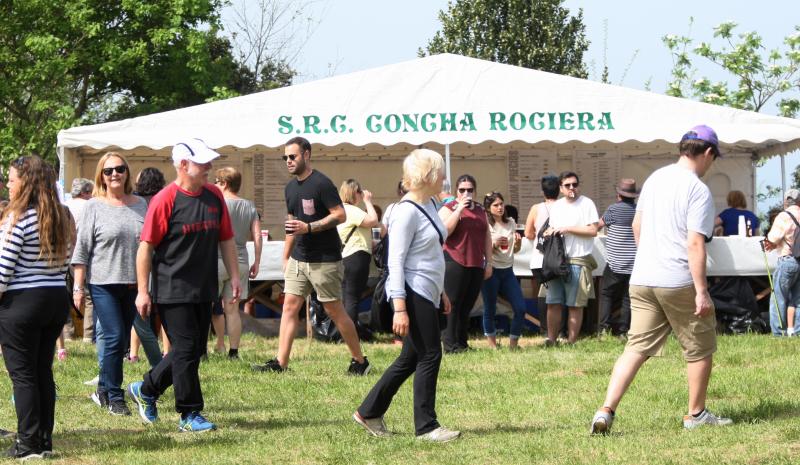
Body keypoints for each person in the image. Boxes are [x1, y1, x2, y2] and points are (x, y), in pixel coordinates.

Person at [590, 125, 732, 434]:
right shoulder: (698, 190)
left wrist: (649, 258)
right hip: (677, 279)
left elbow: (637, 225)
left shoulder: (655, 179)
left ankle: (605, 411)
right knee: (699, 347)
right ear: (707, 153)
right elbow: (695, 243)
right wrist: (701, 291)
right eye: (713, 158)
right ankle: (696, 415)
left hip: (642, 278)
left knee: (635, 348)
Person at [127, 138, 241, 432]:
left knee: (191, 350)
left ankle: (147, 388)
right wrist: (143, 290)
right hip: (171, 288)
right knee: (187, 348)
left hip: (204, 287)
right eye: (203, 163)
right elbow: (146, 247)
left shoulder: (215, 195)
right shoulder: (165, 200)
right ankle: (189, 414)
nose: (209, 167)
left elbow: (226, 239)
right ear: (183, 165)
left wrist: (235, 275)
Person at [353, 148, 459, 442]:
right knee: (430, 354)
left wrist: (442, 292)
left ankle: (369, 412)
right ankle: (426, 427)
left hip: (428, 290)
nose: (445, 177)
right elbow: (396, 261)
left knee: (410, 357)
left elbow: (432, 252)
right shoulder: (406, 211)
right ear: (428, 175)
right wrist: (399, 307)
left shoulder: (431, 204)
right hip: (412, 293)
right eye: (440, 171)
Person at [251, 136, 369, 374]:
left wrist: (311, 227)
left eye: (292, 156)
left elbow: (340, 215)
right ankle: (280, 363)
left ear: (306, 154)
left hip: (325, 259)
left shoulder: (322, 184)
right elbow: (292, 223)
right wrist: (286, 256)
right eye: (285, 157)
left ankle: (360, 361)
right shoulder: (290, 188)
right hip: (298, 258)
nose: (288, 161)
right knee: (289, 307)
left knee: (334, 309)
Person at [0, 155, 73, 459]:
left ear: (25, 183)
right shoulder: (62, 216)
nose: (8, 184)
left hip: (22, 303)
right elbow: (67, 262)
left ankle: (27, 443)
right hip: (55, 297)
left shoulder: (18, 218)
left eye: (12, 179)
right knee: (42, 371)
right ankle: (43, 440)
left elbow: (3, 270)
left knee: (23, 375)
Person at [71, 152, 149, 416]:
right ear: (101, 177)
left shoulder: (141, 205)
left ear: (127, 172)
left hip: (132, 285)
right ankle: (116, 397)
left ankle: (103, 389)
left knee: (121, 343)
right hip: (103, 283)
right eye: (108, 171)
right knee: (114, 337)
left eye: (119, 168)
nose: (114, 174)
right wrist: (78, 288)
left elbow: (148, 247)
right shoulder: (94, 206)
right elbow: (81, 250)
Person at [543, 171, 599, 345]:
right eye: (567, 185)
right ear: (560, 188)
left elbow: (592, 230)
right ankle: (551, 340)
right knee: (553, 302)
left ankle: (571, 341)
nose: (572, 188)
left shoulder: (587, 203)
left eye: (574, 184)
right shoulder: (557, 206)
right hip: (557, 261)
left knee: (575, 304)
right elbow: (552, 228)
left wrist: (567, 228)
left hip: (577, 259)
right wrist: (548, 233)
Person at [439, 174, 492, 353]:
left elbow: (486, 236)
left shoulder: (480, 210)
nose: (466, 193)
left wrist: (489, 262)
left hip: (476, 262)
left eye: (470, 190)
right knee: (453, 304)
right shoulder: (449, 208)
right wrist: (458, 210)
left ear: (475, 191)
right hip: (455, 260)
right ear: (456, 191)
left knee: (467, 305)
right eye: (462, 190)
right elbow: (444, 231)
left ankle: (462, 342)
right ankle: (450, 343)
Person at [211, 166, 261, 358]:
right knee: (232, 310)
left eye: (216, 181)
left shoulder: (216, 203)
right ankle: (233, 351)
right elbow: (257, 235)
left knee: (207, 306)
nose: (215, 184)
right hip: (240, 261)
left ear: (224, 183)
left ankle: (206, 348)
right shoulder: (250, 206)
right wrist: (257, 260)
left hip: (215, 259)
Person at [129, 167, 170, 361]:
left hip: (139, 259)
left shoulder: (135, 201)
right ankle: (167, 351)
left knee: (140, 310)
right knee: (163, 311)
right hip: (160, 259)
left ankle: (134, 353)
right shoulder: (163, 199)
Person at [337, 179, 382, 339]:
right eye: (359, 191)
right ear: (353, 193)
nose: (361, 193)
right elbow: (373, 220)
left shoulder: (341, 210)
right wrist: (368, 201)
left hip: (346, 257)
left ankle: (346, 332)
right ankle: (350, 335)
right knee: (352, 298)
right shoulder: (351, 210)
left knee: (347, 296)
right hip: (356, 255)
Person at [481, 191, 526, 349]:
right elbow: (481, 249)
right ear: (488, 208)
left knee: (520, 307)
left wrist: (519, 243)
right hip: (491, 270)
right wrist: (494, 244)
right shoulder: (485, 224)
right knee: (490, 308)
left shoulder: (511, 222)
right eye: (496, 205)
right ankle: (493, 346)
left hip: (508, 271)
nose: (500, 207)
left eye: (501, 204)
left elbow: (516, 250)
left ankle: (513, 344)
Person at [597, 179, 639, 338]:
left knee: (607, 294)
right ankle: (623, 331)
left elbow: (598, 226)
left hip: (615, 263)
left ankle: (603, 330)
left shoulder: (613, 209)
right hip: (634, 263)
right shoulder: (638, 211)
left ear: (619, 195)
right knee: (628, 298)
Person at [524, 175, 560, 330]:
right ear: (559, 190)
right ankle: (559, 329)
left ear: (542, 191)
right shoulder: (564, 206)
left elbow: (528, 233)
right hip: (558, 259)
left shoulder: (536, 208)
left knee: (542, 294)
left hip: (539, 259)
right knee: (558, 296)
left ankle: (543, 327)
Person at [763, 188, 800, 336]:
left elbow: (772, 239)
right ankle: (797, 332)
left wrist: (772, 243)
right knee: (798, 299)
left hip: (787, 260)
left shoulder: (783, 216)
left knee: (778, 298)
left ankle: (778, 334)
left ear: (786, 201)